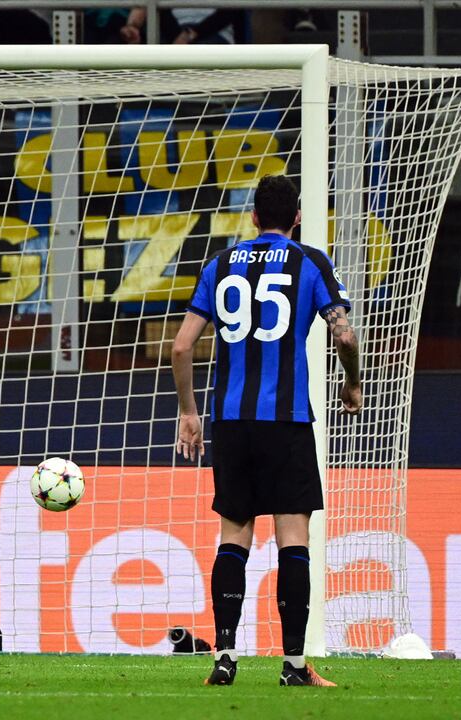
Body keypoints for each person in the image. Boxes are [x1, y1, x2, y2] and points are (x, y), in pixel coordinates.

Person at [172, 175, 361, 687]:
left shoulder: (220, 264)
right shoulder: (310, 262)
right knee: (292, 537)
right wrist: (351, 382)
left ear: (253, 218)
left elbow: (182, 347)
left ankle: (225, 657)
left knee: (233, 535)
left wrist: (190, 413)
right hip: (286, 420)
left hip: (231, 422)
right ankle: (296, 666)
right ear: (296, 218)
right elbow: (344, 335)